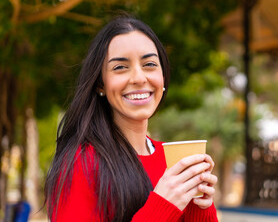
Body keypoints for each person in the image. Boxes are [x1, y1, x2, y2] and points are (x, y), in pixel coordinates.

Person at [44, 15, 218, 222]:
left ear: (163, 77)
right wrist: (163, 204)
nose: (138, 78)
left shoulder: (173, 161)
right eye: (120, 67)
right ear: (100, 84)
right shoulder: (81, 163)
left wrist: (200, 205)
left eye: (150, 64)